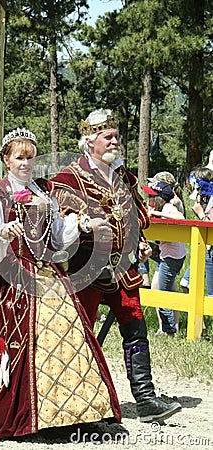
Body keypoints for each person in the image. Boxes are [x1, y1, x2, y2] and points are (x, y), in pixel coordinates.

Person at [0, 128, 121, 439]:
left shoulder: (43, 192)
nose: (26, 163)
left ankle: (70, 411)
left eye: (31, 157)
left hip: (45, 273)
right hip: (5, 280)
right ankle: (16, 413)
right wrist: (2, 233)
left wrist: (84, 223)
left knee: (68, 333)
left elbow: (57, 234)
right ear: (6, 159)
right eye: (20, 157)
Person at [51, 108, 182, 423]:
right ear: (90, 140)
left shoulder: (123, 175)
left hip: (123, 269)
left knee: (136, 329)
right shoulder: (70, 177)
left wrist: (137, 240)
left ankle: (146, 398)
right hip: (86, 269)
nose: (115, 142)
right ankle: (82, 404)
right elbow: (62, 222)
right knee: (80, 335)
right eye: (108, 137)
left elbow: (137, 213)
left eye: (116, 137)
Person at [142, 181, 186, 336]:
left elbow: (181, 218)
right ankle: (166, 328)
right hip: (165, 254)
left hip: (171, 257)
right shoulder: (159, 208)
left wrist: (158, 214)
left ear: (159, 198)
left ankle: (169, 331)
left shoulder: (168, 208)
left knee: (163, 294)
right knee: (157, 289)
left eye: (150, 196)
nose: (148, 199)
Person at [180, 165, 213, 337]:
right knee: (186, 283)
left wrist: (200, 214)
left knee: (211, 295)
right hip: (204, 251)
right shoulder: (206, 200)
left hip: (211, 252)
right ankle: (202, 327)